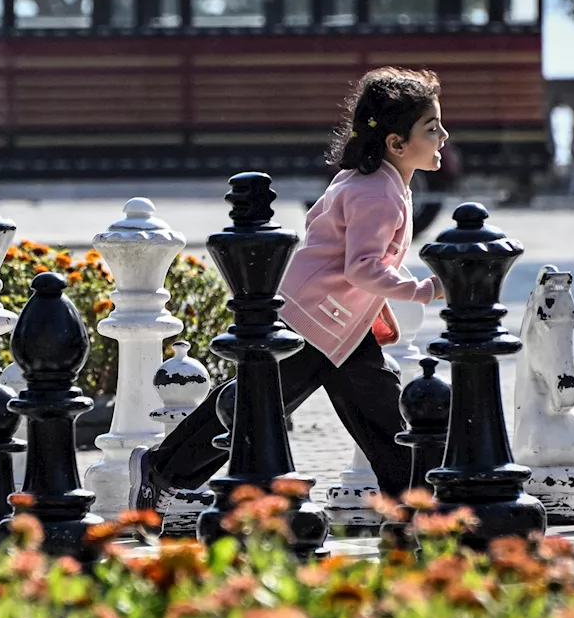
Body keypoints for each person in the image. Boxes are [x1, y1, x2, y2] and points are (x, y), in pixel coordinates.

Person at [129, 66, 449, 515]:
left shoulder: (367, 180)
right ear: (396, 144)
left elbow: (334, 248)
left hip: (331, 321)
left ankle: (413, 503)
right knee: (254, 408)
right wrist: (422, 290)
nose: (444, 136)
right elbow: (362, 268)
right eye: (432, 128)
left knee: (372, 407)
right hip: (315, 323)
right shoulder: (377, 193)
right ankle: (162, 472)